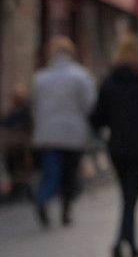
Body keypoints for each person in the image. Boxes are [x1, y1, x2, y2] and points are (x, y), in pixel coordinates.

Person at [91, 33, 138, 257]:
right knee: (131, 199)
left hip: (118, 147)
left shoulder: (110, 83)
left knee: (128, 196)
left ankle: (130, 244)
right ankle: (121, 241)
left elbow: (97, 117)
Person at [30, 36, 97, 228]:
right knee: (69, 174)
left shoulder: (41, 77)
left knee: (51, 173)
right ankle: (66, 210)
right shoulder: (81, 76)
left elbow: (34, 107)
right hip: (73, 133)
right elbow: (90, 105)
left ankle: (42, 198)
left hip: (47, 134)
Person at [1, 84, 33, 201]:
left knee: (22, 168)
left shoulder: (25, 111)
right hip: (11, 145)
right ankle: (15, 190)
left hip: (21, 145)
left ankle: (22, 190)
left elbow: (27, 125)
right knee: (12, 167)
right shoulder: (11, 110)